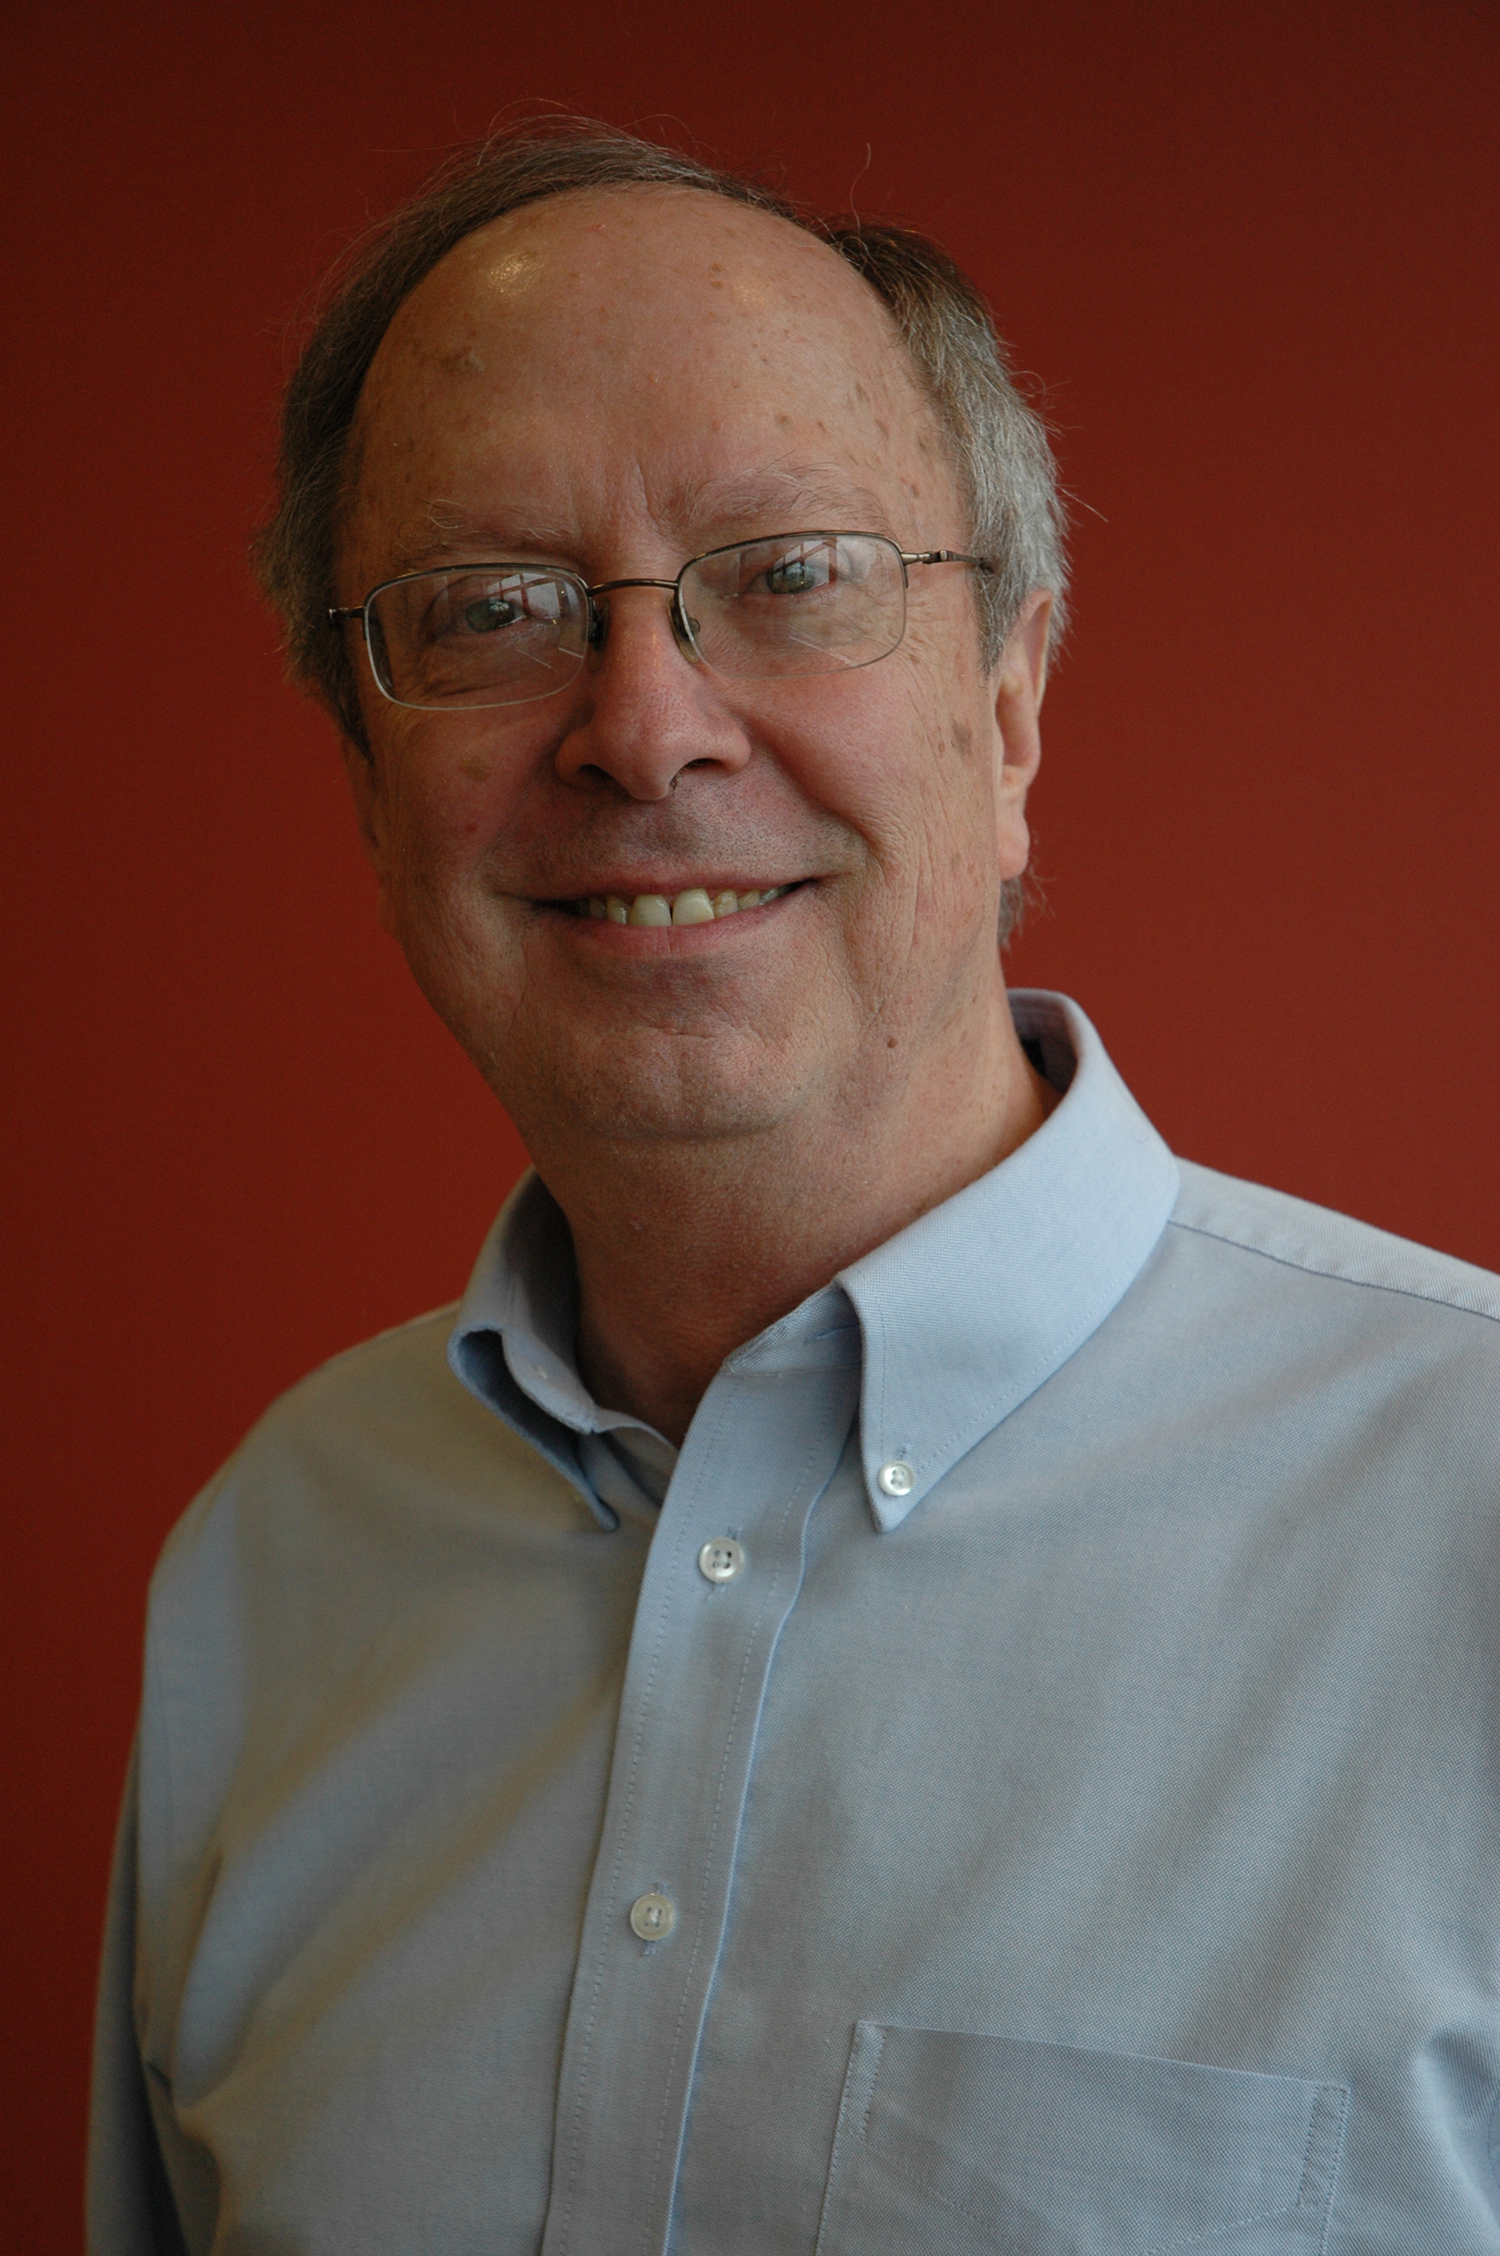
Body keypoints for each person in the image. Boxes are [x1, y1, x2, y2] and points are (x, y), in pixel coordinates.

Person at [89, 121, 1500, 2256]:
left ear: (1009, 705)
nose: (644, 729)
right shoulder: (269, 1577)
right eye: (493, 609)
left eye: (793, 576)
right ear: (369, 791)